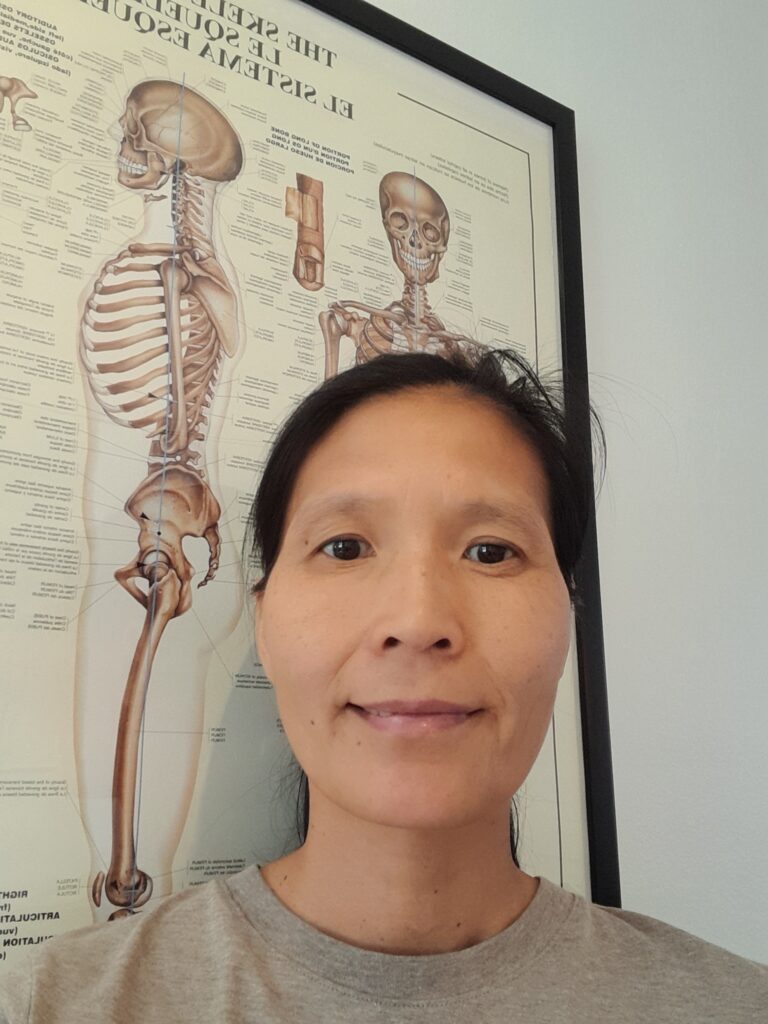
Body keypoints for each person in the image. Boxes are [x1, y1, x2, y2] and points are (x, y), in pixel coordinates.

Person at [0, 347, 765, 1022]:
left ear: (567, 619)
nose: (418, 620)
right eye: (344, 547)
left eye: (491, 551)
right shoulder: (50, 1003)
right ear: (263, 625)